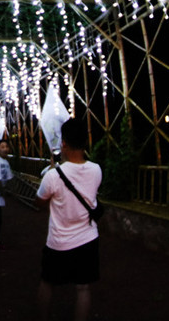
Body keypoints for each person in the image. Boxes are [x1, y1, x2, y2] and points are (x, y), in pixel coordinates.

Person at [35, 120, 102, 321]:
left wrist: (52, 171)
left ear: (63, 143)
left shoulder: (52, 176)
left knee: (47, 283)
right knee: (83, 289)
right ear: (85, 141)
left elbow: (39, 202)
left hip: (59, 242)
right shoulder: (96, 170)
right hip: (88, 238)